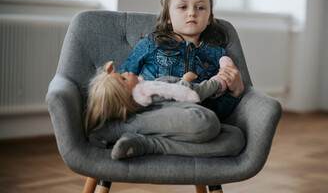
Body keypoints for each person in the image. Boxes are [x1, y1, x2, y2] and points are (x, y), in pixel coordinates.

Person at [88, 0, 245, 159]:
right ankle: (121, 128)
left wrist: (235, 92)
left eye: (200, 7)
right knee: (208, 125)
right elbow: (124, 79)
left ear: (209, 18)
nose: (192, 12)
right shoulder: (152, 43)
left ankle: (147, 144)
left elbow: (217, 112)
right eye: (183, 7)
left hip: (190, 123)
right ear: (168, 17)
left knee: (236, 138)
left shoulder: (217, 55)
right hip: (150, 115)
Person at [87, 58, 243, 159]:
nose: (126, 72)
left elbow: (185, 92)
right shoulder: (146, 89)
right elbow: (191, 92)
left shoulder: (153, 86)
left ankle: (145, 143)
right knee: (205, 122)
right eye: (123, 78)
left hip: (186, 123)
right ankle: (138, 139)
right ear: (125, 97)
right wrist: (217, 82)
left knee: (236, 138)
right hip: (197, 119)